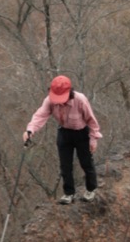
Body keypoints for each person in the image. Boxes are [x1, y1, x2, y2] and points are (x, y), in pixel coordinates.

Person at [23, 75, 102, 204]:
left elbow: (91, 120)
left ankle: (91, 189)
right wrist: (30, 130)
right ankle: (69, 193)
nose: (59, 101)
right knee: (65, 165)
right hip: (64, 133)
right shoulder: (49, 101)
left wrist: (93, 139)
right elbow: (40, 115)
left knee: (86, 162)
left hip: (82, 134)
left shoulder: (80, 99)